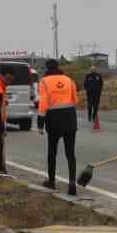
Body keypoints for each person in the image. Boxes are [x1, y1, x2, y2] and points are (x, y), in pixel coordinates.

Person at [35, 58, 80, 194]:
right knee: (70, 153)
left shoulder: (44, 82)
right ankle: (72, 184)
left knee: (52, 152)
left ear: (47, 68)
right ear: (58, 67)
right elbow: (75, 100)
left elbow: (43, 103)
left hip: (53, 119)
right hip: (70, 117)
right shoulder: (68, 80)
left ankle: (51, 182)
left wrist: (40, 124)